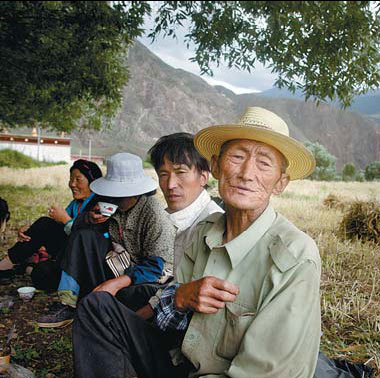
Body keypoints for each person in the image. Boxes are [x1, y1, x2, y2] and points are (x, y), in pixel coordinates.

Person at [73, 107, 322, 378]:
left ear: (280, 183)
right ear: (215, 166)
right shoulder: (204, 232)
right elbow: (172, 311)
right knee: (96, 306)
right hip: (179, 361)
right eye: (237, 157)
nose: (247, 173)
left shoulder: (295, 256)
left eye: (264, 163)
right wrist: (180, 299)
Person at [36, 152, 176, 328]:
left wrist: (116, 283)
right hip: (116, 265)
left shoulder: (153, 213)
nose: (113, 196)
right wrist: (89, 218)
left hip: (146, 279)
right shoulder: (110, 204)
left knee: (134, 297)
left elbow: (157, 267)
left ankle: (104, 307)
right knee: (83, 236)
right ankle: (67, 305)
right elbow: (81, 237)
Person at [0, 160, 102, 288]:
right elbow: (52, 229)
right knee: (44, 224)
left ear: (92, 182)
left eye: (78, 179)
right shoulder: (76, 204)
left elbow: (87, 242)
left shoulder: (98, 206)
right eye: (71, 179)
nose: (72, 184)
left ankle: (28, 267)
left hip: (82, 261)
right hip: (66, 253)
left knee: (44, 272)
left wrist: (65, 220)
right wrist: (30, 231)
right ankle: (6, 264)